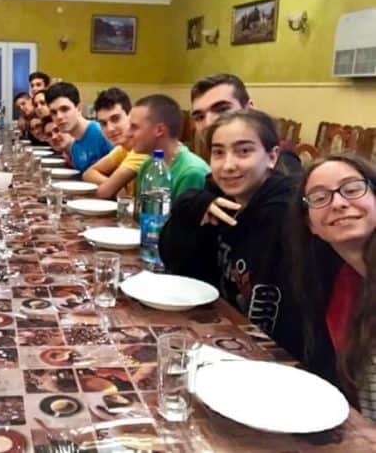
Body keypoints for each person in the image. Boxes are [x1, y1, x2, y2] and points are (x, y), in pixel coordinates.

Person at [159, 109, 302, 357]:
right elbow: (179, 267)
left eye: (244, 151)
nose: (228, 165)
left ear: (272, 156)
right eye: (218, 152)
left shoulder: (290, 213)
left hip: (279, 355)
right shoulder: (219, 202)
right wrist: (189, 208)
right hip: (229, 336)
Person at [289, 155, 375, 420]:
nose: (338, 203)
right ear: (310, 224)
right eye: (319, 197)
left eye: (352, 189)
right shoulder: (337, 281)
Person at [190, 73, 301, 174]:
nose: (208, 123)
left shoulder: (282, 159)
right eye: (200, 117)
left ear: (249, 109)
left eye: (222, 110)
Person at [131, 94, 209, 201]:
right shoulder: (147, 165)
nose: (128, 133)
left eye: (134, 127)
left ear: (159, 130)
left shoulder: (192, 172)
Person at [83, 88, 147, 199]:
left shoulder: (142, 148)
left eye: (115, 119)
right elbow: (88, 173)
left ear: (131, 116)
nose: (110, 129)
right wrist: (117, 187)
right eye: (103, 123)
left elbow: (103, 193)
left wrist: (112, 187)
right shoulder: (122, 149)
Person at [45, 82, 112, 173]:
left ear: (79, 108)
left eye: (65, 109)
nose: (59, 116)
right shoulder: (74, 148)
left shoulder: (102, 133)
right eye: (54, 112)